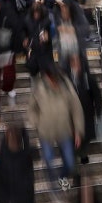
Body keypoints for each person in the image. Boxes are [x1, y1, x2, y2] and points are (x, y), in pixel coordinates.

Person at [28, 62, 84, 192]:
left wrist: (78, 131)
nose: (54, 81)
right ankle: (53, 180)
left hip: (64, 130)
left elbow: (76, 108)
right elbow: (31, 109)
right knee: (48, 159)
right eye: (51, 78)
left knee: (70, 163)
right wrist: (37, 122)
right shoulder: (39, 87)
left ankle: (61, 177)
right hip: (46, 131)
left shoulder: (66, 85)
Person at [67, 53, 102, 165]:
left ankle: (83, 153)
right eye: (73, 63)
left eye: (77, 62)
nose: (76, 65)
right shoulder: (67, 79)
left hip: (86, 112)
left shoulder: (88, 78)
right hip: (73, 114)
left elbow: (96, 94)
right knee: (75, 135)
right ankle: (77, 154)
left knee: (85, 136)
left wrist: (98, 109)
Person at [23, 1, 55, 77]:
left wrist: (48, 36)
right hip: (33, 48)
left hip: (45, 48)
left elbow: (52, 32)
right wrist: (25, 38)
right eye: (35, 13)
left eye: (38, 13)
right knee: (33, 69)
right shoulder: (27, 20)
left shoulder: (47, 20)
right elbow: (24, 31)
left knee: (47, 70)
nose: (36, 15)